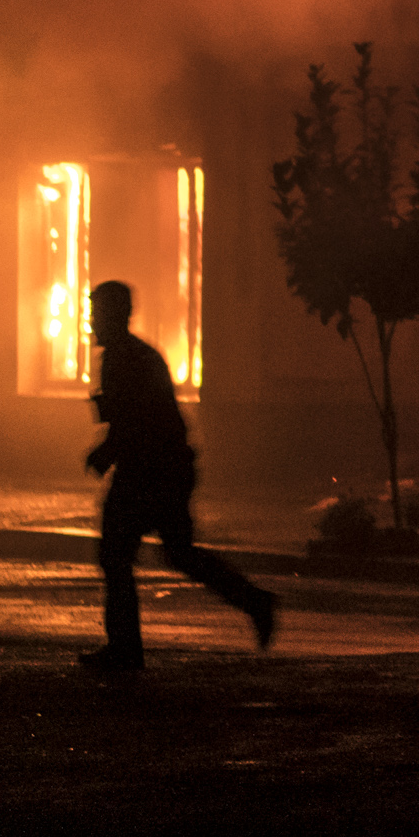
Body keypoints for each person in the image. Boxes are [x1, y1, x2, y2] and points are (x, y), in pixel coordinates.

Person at [80, 277, 276, 670]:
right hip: (163, 467)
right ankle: (253, 601)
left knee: (117, 555)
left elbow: (134, 420)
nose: (91, 321)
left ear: (116, 314)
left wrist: (106, 452)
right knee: (176, 553)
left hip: (150, 471)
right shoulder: (133, 355)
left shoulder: (123, 359)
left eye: (97, 312)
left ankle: (125, 651)